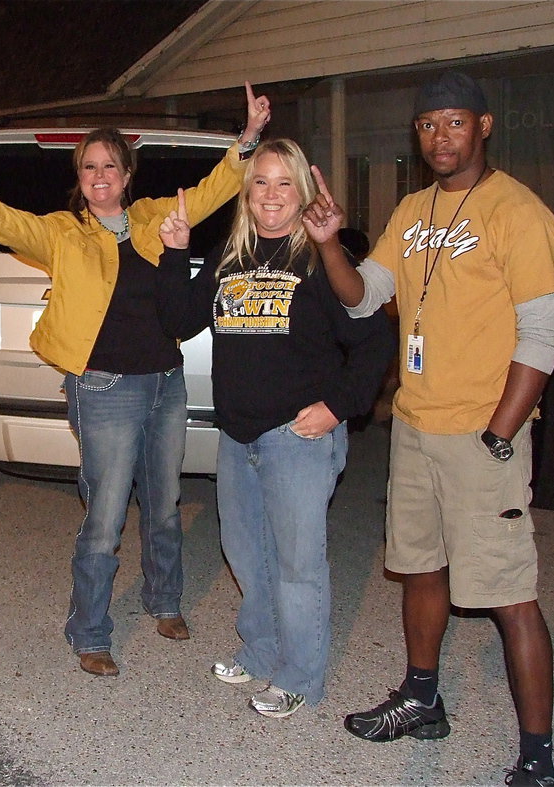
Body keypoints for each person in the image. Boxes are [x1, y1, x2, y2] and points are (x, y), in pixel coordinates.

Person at [0, 82, 272, 677]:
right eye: (89, 166)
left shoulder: (149, 217)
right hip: (105, 388)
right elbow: (8, 225)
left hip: (165, 381)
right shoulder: (63, 232)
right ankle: (88, 631)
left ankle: (164, 602)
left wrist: (246, 142)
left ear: (127, 172)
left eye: (109, 164)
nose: (99, 173)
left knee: (163, 504)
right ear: (80, 177)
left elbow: (217, 190)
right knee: (106, 514)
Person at [303, 71, 554, 786]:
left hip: (484, 433)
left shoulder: (520, 213)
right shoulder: (413, 210)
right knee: (419, 567)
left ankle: (537, 758)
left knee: (510, 593)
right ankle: (422, 697)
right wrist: (330, 243)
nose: (440, 136)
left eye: (454, 122)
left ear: (483, 126)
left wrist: (501, 432)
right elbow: (366, 298)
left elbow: (545, 335)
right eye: (428, 125)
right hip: (415, 427)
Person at [155, 141, 393, 718]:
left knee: (296, 563)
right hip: (240, 435)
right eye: (260, 182)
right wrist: (175, 252)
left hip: (298, 437)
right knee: (244, 552)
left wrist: (338, 407)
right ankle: (260, 651)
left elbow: (375, 338)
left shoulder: (320, 261)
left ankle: (299, 676)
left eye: (284, 184)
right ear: (246, 190)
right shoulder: (228, 257)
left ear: (304, 194)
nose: (270, 195)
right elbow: (180, 321)